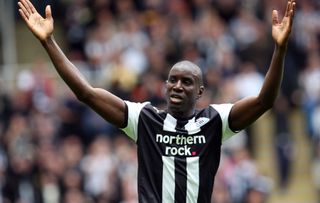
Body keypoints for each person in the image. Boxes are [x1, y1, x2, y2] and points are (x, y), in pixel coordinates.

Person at [17, 0, 296, 202]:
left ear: (200, 92)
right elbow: (86, 93)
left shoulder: (214, 121)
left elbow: (264, 101)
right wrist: (49, 42)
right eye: (172, 79)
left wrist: (280, 49)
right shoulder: (145, 119)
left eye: (187, 81)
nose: (177, 85)